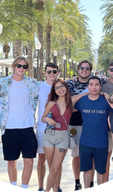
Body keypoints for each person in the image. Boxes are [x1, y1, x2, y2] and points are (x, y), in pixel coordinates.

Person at [0, 56, 40, 192]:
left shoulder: (32, 83)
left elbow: (51, 87)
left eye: (24, 66)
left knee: (29, 161)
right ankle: (13, 186)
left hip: (27, 128)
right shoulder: (2, 83)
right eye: (19, 66)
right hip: (9, 129)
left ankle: (24, 188)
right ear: (14, 67)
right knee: (11, 161)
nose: (21, 68)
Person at [41, 79, 87, 192]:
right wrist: (47, 119)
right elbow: (43, 118)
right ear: (54, 91)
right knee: (51, 167)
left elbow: (87, 93)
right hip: (49, 136)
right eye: (57, 88)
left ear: (66, 87)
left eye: (62, 86)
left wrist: (102, 93)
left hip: (63, 137)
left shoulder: (71, 101)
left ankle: (46, 190)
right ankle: (55, 190)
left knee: (55, 169)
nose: (60, 89)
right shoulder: (51, 103)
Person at [74, 76, 113, 190]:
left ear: (100, 87)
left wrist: (108, 97)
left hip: (101, 143)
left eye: (97, 85)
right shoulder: (82, 101)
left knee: (100, 171)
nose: (94, 87)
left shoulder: (106, 101)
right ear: (88, 86)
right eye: (91, 84)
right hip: (85, 142)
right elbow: (68, 105)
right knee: (86, 170)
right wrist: (82, 95)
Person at [66, 60, 92, 192]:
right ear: (78, 69)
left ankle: (90, 183)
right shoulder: (70, 83)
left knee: (90, 156)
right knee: (76, 156)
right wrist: (85, 95)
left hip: (91, 125)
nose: (84, 70)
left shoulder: (95, 82)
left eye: (87, 68)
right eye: (82, 68)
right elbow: (68, 104)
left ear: (90, 71)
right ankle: (77, 183)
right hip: (75, 124)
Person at [36, 63, 61, 192]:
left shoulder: (61, 87)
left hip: (58, 129)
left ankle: (57, 187)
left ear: (57, 73)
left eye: (54, 71)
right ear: (45, 72)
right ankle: (41, 186)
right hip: (42, 128)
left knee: (58, 160)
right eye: (49, 71)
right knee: (41, 158)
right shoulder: (39, 87)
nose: (52, 73)